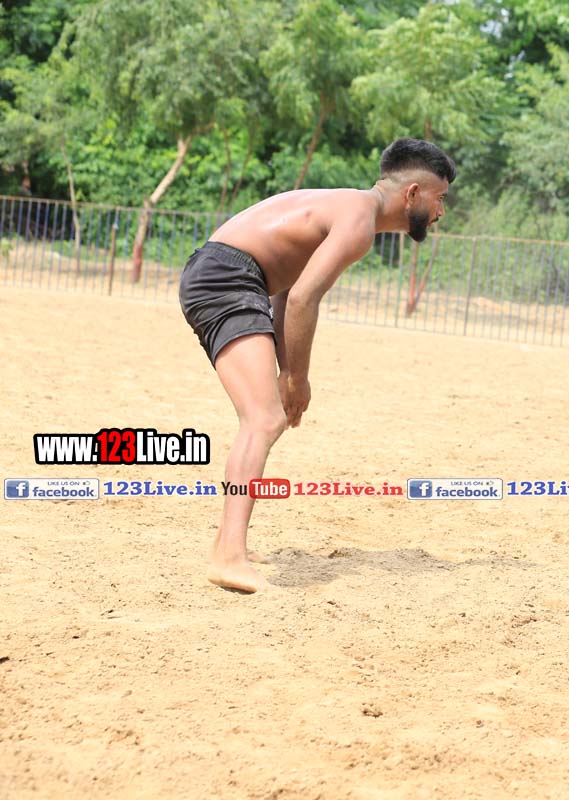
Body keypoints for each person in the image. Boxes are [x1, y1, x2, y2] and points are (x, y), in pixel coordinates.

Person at [179, 138, 455, 592]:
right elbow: (304, 299)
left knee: (264, 418)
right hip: (227, 278)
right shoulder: (358, 220)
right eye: (439, 197)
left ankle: (227, 544)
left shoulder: (347, 207)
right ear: (412, 194)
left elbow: (288, 291)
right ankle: (228, 557)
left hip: (231, 275)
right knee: (264, 419)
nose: (441, 211)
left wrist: (288, 370)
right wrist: (296, 378)